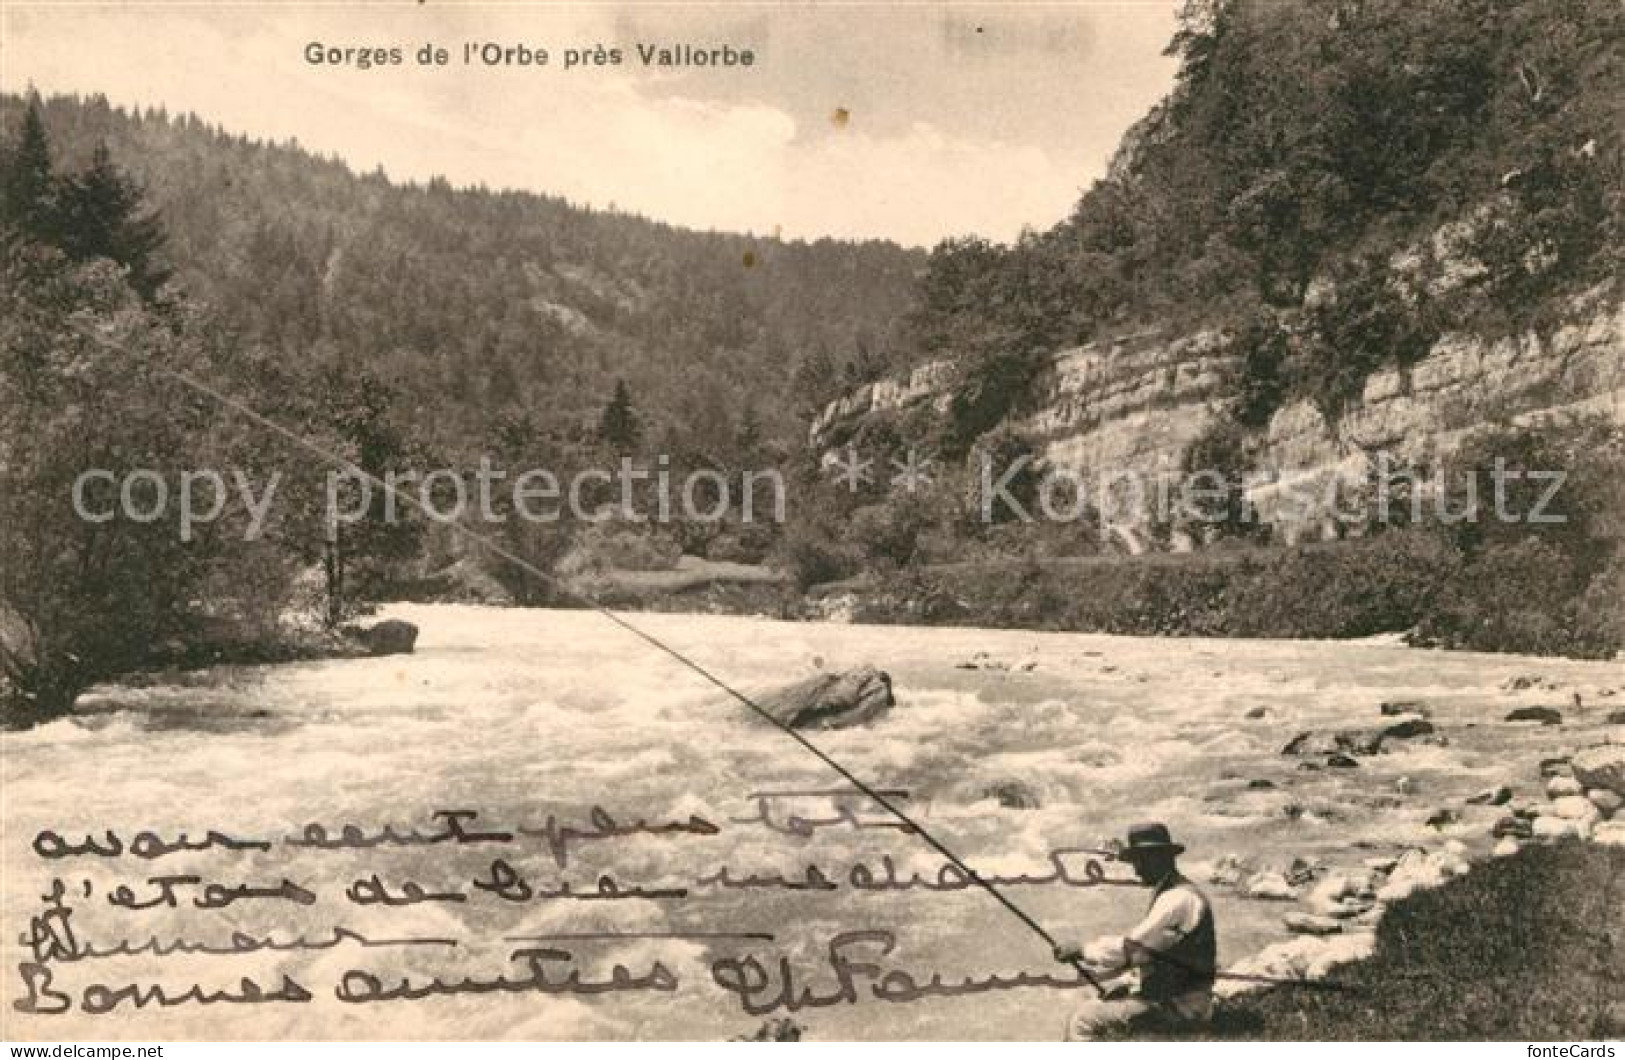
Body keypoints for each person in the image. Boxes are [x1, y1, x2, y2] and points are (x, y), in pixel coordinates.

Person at [1054, 822, 1216, 1041]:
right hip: (1184, 998)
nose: (1136, 869)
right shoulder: (1175, 890)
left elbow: (1132, 949)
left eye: (1140, 861)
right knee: (1095, 1000)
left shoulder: (1177, 899)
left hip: (1183, 1007)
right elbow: (1155, 953)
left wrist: (1082, 950)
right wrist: (1127, 985)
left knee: (1082, 1020)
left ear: (1158, 858)